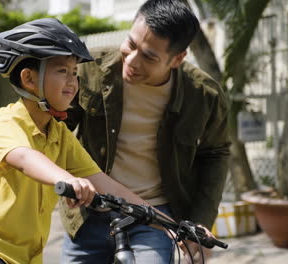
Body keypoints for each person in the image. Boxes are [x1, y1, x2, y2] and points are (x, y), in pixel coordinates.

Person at [0, 18, 153, 264]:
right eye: (62, 71)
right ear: (29, 79)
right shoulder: (6, 123)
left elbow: (103, 182)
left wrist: (172, 225)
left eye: (75, 73)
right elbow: (25, 157)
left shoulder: (60, 135)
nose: (72, 82)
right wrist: (66, 178)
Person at [59, 0, 230, 263]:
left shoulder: (203, 95)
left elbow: (216, 153)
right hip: (89, 208)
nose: (133, 61)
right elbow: (53, 125)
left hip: (154, 217)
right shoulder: (88, 69)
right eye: (131, 44)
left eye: (149, 56)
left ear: (177, 59)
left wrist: (200, 220)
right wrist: (12, 138)